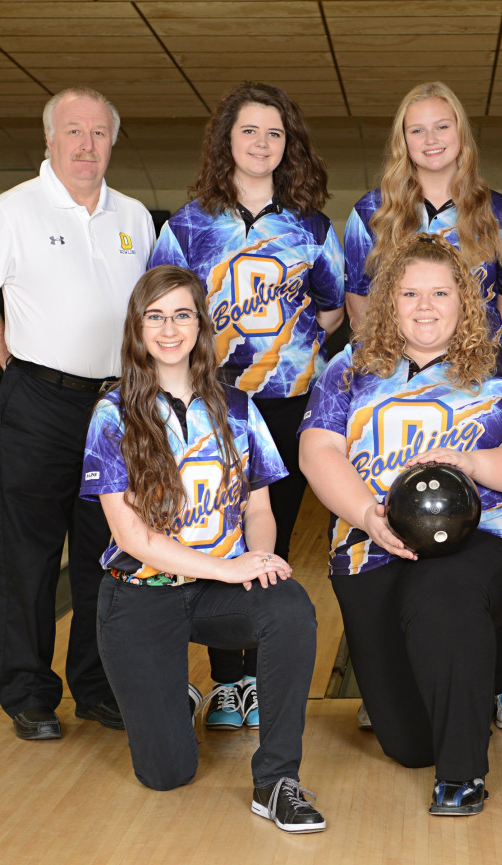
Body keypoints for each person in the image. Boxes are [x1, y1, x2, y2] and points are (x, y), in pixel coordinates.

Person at [299, 234, 502, 815]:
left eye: (440, 292)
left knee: (442, 593)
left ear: (464, 301)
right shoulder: (348, 369)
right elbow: (318, 453)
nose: (424, 306)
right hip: (371, 547)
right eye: (410, 293)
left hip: (481, 540)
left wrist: (471, 462)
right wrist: (369, 515)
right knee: (411, 744)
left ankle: (462, 775)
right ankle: (457, 690)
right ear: (389, 301)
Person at [80, 264, 325, 833]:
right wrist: (227, 565)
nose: (170, 330)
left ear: (200, 324)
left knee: (290, 609)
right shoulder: (112, 416)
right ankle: (174, 691)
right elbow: (132, 539)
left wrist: (258, 559)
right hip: (139, 596)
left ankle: (278, 782)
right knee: (166, 773)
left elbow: (259, 509)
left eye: (182, 315)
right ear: (137, 330)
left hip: (217, 592)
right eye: (155, 317)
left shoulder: (237, 409)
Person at [0, 87, 155, 740]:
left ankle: (96, 687)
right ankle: (30, 692)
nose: (86, 145)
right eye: (73, 131)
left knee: (108, 553)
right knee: (29, 555)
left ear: (113, 142)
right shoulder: (11, 211)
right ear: (49, 139)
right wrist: (14, 361)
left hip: (116, 407)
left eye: (98, 132)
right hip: (38, 400)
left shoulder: (135, 216)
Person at [343, 81, 502, 730]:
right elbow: (357, 301)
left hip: (471, 392)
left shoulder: (501, 212)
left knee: (484, 527)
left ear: (462, 135)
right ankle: (395, 681)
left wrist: (479, 371)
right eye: (417, 129)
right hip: (395, 388)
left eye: (442, 127)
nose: (431, 140)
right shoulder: (370, 213)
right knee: (388, 530)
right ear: (402, 141)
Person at [150, 82, 344, 731]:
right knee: (210, 533)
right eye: (249, 131)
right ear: (225, 141)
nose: (261, 143)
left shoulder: (312, 226)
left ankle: (258, 674)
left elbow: (331, 306)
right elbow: (158, 307)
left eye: (274, 133)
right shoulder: (186, 225)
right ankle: (227, 681)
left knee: (271, 536)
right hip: (212, 407)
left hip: (287, 406)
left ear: (288, 147)